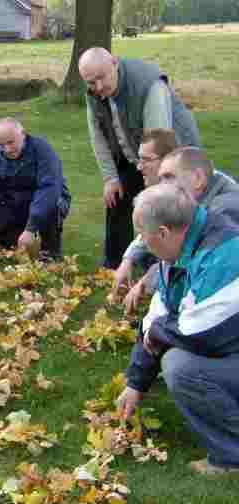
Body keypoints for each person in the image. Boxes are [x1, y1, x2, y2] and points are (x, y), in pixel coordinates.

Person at [117, 183, 239, 476]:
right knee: (172, 348)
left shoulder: (226, 254)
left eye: (144, 238)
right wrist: (136, 383)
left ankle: (232, 457)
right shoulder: (182, 250)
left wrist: (158, 332)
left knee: (181, 367)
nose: (144, 245)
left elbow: (201, 332)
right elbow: (157, 316)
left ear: (163, 233)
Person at [78, 47, 200, 269]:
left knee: (161, 206)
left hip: (170, 154)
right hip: (135, 151)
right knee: (116, 195)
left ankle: (160, 266)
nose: (98, 87)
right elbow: (98, 136)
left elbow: (158, 141)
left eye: (101, 78)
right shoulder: (93, 93)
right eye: (90, 82)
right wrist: (110, 178)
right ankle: (114, 265)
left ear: (114, 63)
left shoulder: (149, 86)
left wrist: (155, 185)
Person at [117, 146, 239, 313]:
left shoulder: (224, 213)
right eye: (162, 179)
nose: (163, 185)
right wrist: (130, 258)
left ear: (197, 178)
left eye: (169, 177)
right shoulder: (200, 200)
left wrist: (148, 281)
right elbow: (153, 228)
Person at [0, 117, 71, 260]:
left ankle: (50, 251)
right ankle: (16, 241)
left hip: (47, 199)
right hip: (16, 202)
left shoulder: (42, 149)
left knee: (53, 206)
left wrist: (31, 227)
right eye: (1, 145)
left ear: (23, 134)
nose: (7, 149)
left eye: (11, 142)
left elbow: (49, 189)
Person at [112, 128, 178, 309]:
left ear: (168, 161)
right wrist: (127, 261)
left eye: (146, 160)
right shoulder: (164, 188)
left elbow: (183, 257)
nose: (139, 167)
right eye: (139, 159)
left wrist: (145, 282)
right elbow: (148, 231)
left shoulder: (184, 197)